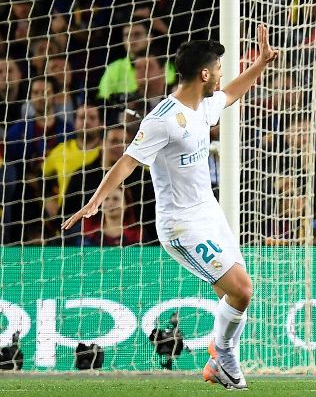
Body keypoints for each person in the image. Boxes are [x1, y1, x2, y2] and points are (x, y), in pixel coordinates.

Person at [62, 25, 278, 390]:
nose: (222, 74)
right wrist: (95, 200)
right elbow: (128, 161)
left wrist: (259, 64)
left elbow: (230, 94)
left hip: (209, 213)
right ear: (204, 73)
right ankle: (222, 354)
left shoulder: (204, 106)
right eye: (219, 68)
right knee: (242, 289)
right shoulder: (163, 118)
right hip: (181, 226)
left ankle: (220, 357)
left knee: (231, 292)